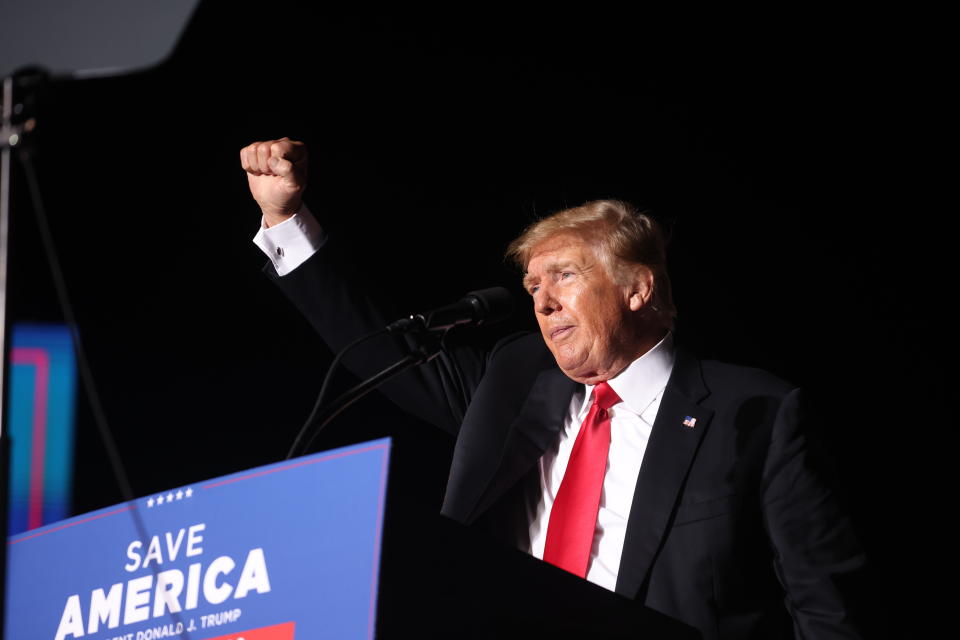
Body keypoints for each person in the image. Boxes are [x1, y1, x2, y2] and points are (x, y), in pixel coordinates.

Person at [240, 138, 867, 639]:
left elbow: (826, 603)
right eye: (533, 287)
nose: (542, 301)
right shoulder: (512, 382)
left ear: (638, 288)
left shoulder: (754, 411)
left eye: (563, 276)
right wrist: (286, 219)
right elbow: (381, 348)